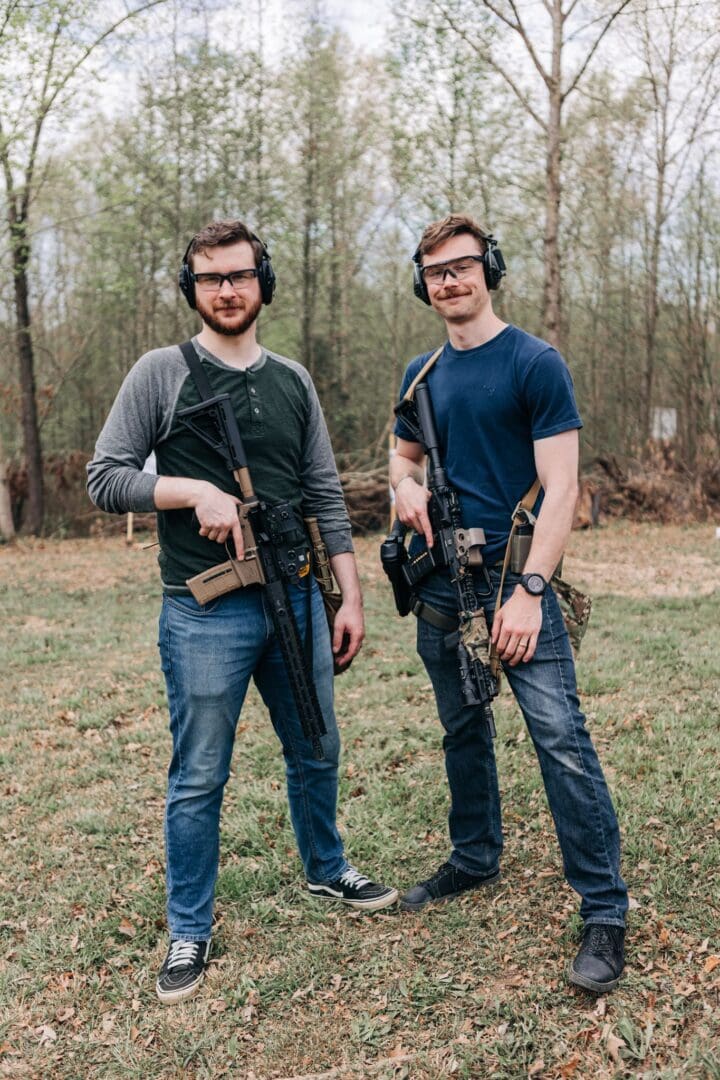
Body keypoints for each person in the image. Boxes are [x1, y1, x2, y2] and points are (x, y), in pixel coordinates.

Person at [87, 219, 397, 1005]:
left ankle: (327, 869)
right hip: (205, 612)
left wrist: (349, 593)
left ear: (263, 280)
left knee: (317, 747)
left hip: (295, 596)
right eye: (209, 278)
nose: (226, 290)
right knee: (198, 777)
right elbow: (105, 477)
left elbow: (325, 492)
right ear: (190, 288)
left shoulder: (292, 379)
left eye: (239, 275)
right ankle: (189, 926)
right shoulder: (162, 373)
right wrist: (192, 490)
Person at [389, 214, 628, 993]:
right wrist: (404, 485)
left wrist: (528, 593)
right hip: (441, 582)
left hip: (513, 578)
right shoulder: (421, 376)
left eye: (461, 266)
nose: (449, 281)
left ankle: (604, 909)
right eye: (434, 272)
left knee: (560, 738)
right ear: (423, 285)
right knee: (462, 725)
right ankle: (474, 856)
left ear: (489, 268)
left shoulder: (534, 362)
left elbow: (564, 487)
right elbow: (401, 456)